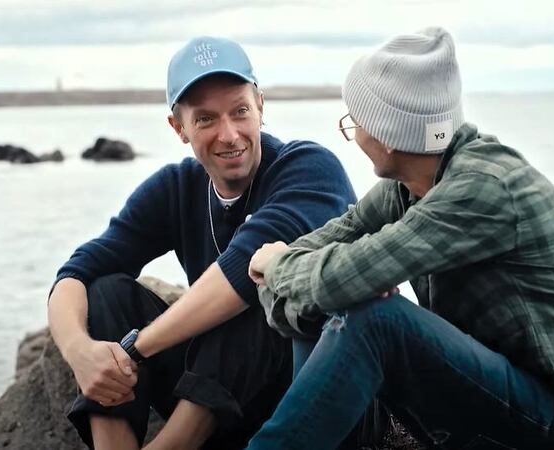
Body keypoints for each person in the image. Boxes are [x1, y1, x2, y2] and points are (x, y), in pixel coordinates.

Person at [246, 28, 554, 450]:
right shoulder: (410, 185)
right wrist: (294, 286)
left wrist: (279, 266)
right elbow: (318, 265)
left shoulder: (482, 189)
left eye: (355, 122)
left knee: (376, 317)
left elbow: (336, 276)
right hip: (502, 404)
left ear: (389, 136)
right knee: (331, 299)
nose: (353, 133)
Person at [47, 36, 356, 450]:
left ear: (260, 106)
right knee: (107, 292)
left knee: (261, 285)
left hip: (308, 392)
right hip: (224, 392)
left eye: (240, 111)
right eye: (206, 119)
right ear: (179, 128)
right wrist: (80, 353)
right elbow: (77, 272)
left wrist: (133, 351)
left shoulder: (309, 169)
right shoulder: (176, 188)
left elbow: (241, 271)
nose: (229, 134)